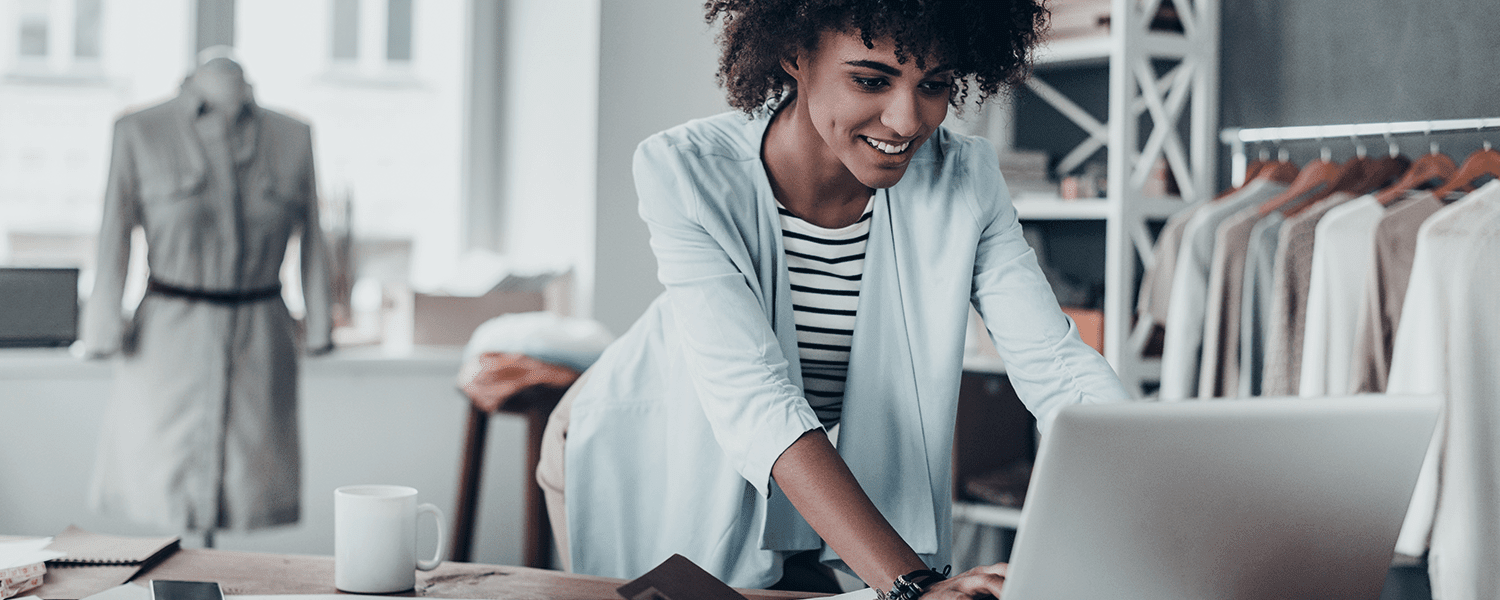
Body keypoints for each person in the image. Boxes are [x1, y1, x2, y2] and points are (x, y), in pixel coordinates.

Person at [536, 1, 1130, 597]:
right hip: (645, 445)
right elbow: (756, 397)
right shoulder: (686, 172)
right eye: (871, 80)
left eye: (934, 85)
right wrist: (912, 587)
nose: (905, 120)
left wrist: (1165, 487)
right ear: (796, 55)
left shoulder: (964, 179)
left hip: (798, 465)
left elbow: (1055, 366)